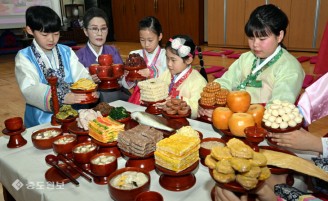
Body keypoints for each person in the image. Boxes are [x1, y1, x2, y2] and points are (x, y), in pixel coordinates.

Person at [198, 4, 305, 121]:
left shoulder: (290, 68)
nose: (255, 44)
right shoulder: (246, 58)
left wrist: (234, 116)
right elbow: (226, 81)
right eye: (251, 38)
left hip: (263, 122)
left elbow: (278, 108)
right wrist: (213, 104)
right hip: (236, 116)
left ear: (279, 36)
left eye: (262, 39)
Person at [15, 5, 94, 128]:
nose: (51, 39)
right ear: (30, 30)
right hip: (42, 118)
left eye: (56, 34)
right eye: (45, 35)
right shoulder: (24, 56)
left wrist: (90, 89)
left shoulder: (66, 51)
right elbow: (30, 88)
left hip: (73, 112)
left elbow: (81, 75)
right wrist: (63, 97)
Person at [76, 7, 130, 102]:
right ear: (85, 31)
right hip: (89, 100)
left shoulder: (112, 51)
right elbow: (76, 85)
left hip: (115, 96)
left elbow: (122, 82)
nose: (100, 33)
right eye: (94, 29)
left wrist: (125, 76)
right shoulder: (78, 56)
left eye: (103, 28)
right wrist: (89, 80)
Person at [156, 35, 207, 119]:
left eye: (173, 60)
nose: (169, 64)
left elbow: (196, 109)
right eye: (167, 58)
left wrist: (176, 101)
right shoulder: (166, 74)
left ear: (188, 60)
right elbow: (157, 88)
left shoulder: (198, 81)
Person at [121, 16, 166, 104]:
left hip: (159, 99)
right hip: (139, 98)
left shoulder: (166, 55)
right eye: (142, 40)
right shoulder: (134, 55)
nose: (146, 44)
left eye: (150, 40)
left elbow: (169, 79)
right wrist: (127, 77)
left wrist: (151, 73)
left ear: (160, 36)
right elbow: (126, 85)